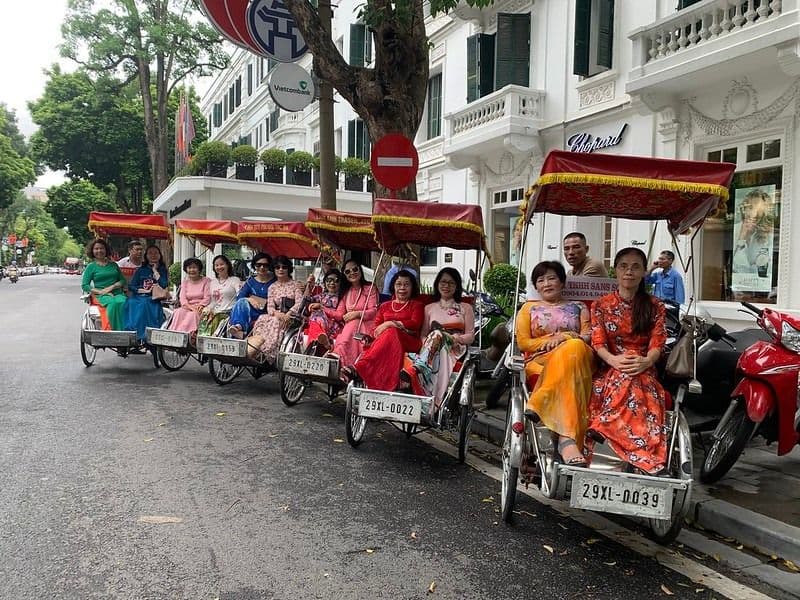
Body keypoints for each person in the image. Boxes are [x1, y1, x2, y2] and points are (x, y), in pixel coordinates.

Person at [586, 247, 668, 474]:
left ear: (643, 272)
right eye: (623, 266)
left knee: (636, 379)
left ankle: (606, 425)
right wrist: (614, 360)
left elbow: (657, 344)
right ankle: (643, 457)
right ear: (615, 271)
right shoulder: (601, 305)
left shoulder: (655, 306)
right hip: (611, 365)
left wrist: (644, 362)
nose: (629, 272)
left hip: (644, 366)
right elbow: (598, 343)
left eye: (635, 267)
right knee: (625, 376)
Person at [516, 261, 594, 465]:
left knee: (574, 346)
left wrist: (565, 337)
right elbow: (523, 342)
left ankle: (541, 399)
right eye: (540, 280)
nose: (546, 283)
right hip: (541, 359)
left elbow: (588, 336)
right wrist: (550, 341)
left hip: (578, 357)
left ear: (562, 282)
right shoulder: (528, 308)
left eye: (551, 278)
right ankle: (567, 440)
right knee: (570, 357)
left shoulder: (578, 307)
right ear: (536, 286)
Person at [343, 270, 425, 391]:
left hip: (409, 340)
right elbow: (375, 328)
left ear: (412, 287)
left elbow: (415, 324)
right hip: (386, 340)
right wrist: (384, 328)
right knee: (389, 333)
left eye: (406, 284)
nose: (402, 288)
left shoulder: (417, 305)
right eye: (399, 284)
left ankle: (360, 368)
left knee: (392, 331)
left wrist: (391, 323)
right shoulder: (385, 306)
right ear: (393, 286)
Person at [410, 268, 475, 416]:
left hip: (455, 346)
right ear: (437, 284)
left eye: (451, 283)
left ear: (457, 286)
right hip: (432, 347)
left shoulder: (465, 308)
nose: (446, 286)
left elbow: (470, 336)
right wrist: (431, 342)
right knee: (438, 342)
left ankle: (421, 367)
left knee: (440, 336)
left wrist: (454, 338)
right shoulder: (429, 308)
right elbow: (423, 335)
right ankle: (433, 403)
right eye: (443, 282)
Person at [247, 255, 304, 363]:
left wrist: (288, 314)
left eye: (284, 267)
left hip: (291, 316)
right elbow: (270, 306)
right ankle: (256, 347)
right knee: (262, 318)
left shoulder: (296, 285)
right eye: (277, 267)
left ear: (289, 269)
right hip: (277, 314)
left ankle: (268, 351)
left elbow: (299, 303)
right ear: (274, 269)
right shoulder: (272, 287)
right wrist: (277, 313)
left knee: (275, 322)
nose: (281, 269)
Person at [328, 259, 379, 368]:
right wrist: (322, 308)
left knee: (354, 322)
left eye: (355, 269)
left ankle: (339, 355)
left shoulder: (370, 288)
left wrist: (357, 314)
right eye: (347, 271)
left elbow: (374, 312)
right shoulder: (346, 292)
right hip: (350, 328)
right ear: (345, 275)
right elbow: (339, 315)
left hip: (367, 325)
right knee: (350, 325)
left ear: (360, 270)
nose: (352, 273)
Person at [123, 244, 169, 342]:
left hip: (154, 298)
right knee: (131, 303)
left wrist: (155, 271)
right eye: (150, 253)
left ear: (160, 255)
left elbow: (164, 284)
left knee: (146, 304)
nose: (153, 255)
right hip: (138, 296)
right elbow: (132, 286)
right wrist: (143, 290)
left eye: (156, 253)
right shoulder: (141, 270)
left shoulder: (162, 270)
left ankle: (147, 334)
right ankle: (136, 333)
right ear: (146, 256)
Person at [81, 238, 127, 330]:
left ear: (106, 250)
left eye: (101, 248)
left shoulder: (114, 265)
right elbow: (85, 285)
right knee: (112, 303)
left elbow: (122, 281)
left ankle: (127, 330)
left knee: (123, 302)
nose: (99, 251)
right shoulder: (91, 267)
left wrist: (112, 287)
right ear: (92, 251)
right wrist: (101, 292)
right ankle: (113, 330)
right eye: (96, 249)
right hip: (100, 295)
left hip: (117, 293)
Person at [228, 252, 273, 338]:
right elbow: (240, 297)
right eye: (258, 265)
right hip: (251, 311)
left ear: (269, 266)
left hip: (267, 311)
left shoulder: (274, 281)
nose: (262, 267)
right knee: (241, 301)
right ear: (254, 266)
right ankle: (238, 327)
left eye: (265, 265)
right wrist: (249, 299)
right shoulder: (250, 282)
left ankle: (239, 328)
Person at [199, 255, 242, 336]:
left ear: (227, 265)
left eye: (222, 264)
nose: (219, 267)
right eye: (216, 265)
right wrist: (207, 309)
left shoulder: (235, 280)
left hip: (229, 313)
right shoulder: (212, 282)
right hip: (215, 312)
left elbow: (240, 295)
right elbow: (213, 301)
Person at [305, 269, 345, 352]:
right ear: (325, 282)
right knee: (314, 320)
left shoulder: (341, 298)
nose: (332, 283)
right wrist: (309, 285)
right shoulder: (322, 295)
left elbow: (339, 315)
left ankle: (311, 348)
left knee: (317, 319)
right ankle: (322, 341)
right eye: (329, 280)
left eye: (336, 281)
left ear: (340, 283)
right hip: (316, 321)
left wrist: (322, 307)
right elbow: (307, 299)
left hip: (331, 324)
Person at [168, 257, 211, 336]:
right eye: (189, 268)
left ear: (199, 269)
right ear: (186, 269)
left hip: (201, 307)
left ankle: (188, 335)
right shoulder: (185, 282)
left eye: (194, 267)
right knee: (178, 312)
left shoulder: (206, 281)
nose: (192, 270)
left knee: (192, 315)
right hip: (188, 307)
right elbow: (183, 299)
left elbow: (207, 297)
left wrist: (199, 305)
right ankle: (174, 334)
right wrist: (191, 307)